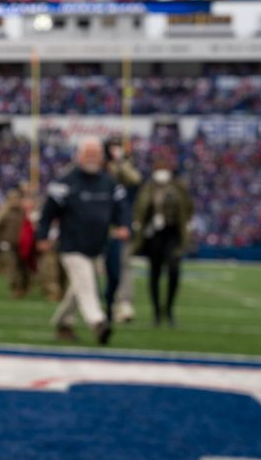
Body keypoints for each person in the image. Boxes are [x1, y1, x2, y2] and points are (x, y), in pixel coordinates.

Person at [36, 137, 130, 345]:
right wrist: (42, 236)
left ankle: (63, 322)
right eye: (88, 153)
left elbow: (122, 206)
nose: (92, 158)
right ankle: (98, 322)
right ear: (79, 156)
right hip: (72, 246)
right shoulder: (65, 183)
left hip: (97, 245)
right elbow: (48, 212)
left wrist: (124, 225)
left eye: (95, 154)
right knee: (87, 284)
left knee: (78, 288)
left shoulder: (109, 183)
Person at [133, 159, 194, 327]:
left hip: (172, 233)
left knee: (174, 269)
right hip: (153, 235)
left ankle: (169, 309)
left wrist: (186, 225)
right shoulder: (148, 188)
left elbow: (188, 207)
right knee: (155, 272)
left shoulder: (178, 187)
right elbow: (140, 208)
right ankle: (156, 313)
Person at [104, 139, 143, 323]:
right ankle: (103, 304)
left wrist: (120, 163)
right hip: (100, 223)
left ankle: (124, 303)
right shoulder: (102, 168)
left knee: (124, 265)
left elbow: (134, 179)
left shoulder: (127, 169)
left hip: (122, 224)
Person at [0, 189, 29, 298]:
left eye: (17, 199)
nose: (15, 201)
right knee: (12, 268)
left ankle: (23, 287)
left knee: (23, 268)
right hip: (8, 245)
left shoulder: (23, 211)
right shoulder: (3, 213)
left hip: (22, 245)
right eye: (13, 199)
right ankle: (15, 288)